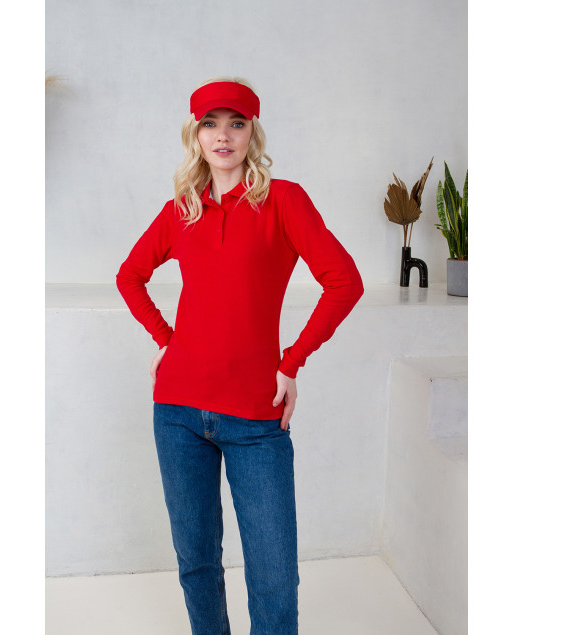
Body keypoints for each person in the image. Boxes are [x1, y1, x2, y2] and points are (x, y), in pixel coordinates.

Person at [116, 77, 364, 635]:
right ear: (195, 134)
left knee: (274, 576)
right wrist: (165, 338)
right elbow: (129, 275)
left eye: (236, 123)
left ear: (253, 132)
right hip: (177, 412)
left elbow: (344, 281)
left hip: (255, 415)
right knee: (197, 563)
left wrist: (292, 362)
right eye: (210, 124)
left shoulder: (284, 201)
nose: (222, 136)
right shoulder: (180, 210)